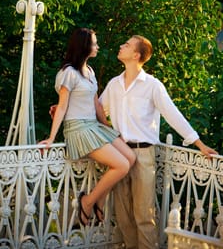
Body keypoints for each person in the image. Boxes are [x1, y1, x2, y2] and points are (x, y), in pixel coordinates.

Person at [99, 35, 218, 249]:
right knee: (123, 214)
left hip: (143, 155)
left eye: (126, 45)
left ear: (136, 55)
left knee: (144, 215)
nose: (121, 45)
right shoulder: (114, 84)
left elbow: (173, 114)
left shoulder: (152, 85)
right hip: (118, 155)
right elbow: (98, 110)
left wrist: (198, 143)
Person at [39, 28, 136, 227]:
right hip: (78, 130)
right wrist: (51, 137)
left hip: (94, 126)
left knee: (131, 158)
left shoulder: (89, 71)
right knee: (122, 165)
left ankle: (98, 200)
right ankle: (88, 201)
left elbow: (96, 105)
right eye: (94, 43)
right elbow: (64, 105)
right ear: (84, 46)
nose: (97, 46)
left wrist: (110, 130)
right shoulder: (68, 73)